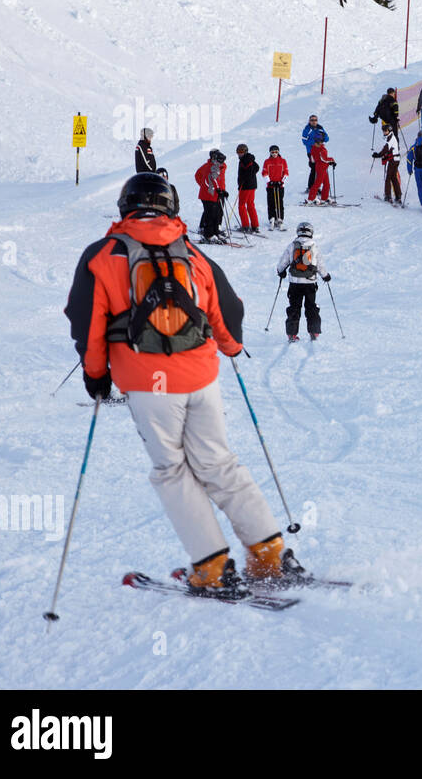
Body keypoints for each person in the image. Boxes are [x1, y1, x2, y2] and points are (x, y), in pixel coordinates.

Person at [66, 173, 300, 591]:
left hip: (148, 383)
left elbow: (87, 323)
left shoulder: (102, 255)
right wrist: (230, 347)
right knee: (218, 463)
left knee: (172, 470)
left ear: (125, 207)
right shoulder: (191, 253)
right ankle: (270, 554)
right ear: (170, 207)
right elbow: (227, 309)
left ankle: (211, 567)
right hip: (201, 377)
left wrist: (96, 375)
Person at [276, 221, 330, 341]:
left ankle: (292, 334)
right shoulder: (314, 246)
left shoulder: (292, 245)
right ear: (311, 232)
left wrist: (281, 271)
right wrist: (325, 276)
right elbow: (320, 265)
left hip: (295, 283)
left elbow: (283, 262)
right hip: (310, 283)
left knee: (294, 307)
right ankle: (314, 331)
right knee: (311, 307)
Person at [194, 148, 228, 243]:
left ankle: (215, 233)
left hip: (215, 194)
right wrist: (205, 186)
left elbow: (219, 181)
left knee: (216, 214)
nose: (221, 162)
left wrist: (222, 191)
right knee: (210, 214)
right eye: (219, 160)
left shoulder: (218, 166)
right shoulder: (210, 166)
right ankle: (208, 235)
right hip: (208, 195)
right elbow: (213, 180)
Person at [371, 125, 403, 204]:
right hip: (396, 159)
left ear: (389, 131)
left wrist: (378, 155)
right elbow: (388, 149)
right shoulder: (391, 136)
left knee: (388, 177)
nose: (384, 132)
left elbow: (386, 149)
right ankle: (398, 196)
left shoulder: (391, 138)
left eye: (385, 131)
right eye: (383, 131)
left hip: (393, 160)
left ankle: (388, 196)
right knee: (393, 177)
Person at [261, 144, 288, 229]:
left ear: (278, 152)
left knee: (280, 202)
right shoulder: (267, 161)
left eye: (276, 152)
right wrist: (269, 181)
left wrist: (282, 182)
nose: (274, 154)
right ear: (270, 153)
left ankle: (280, 218)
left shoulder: (283, 161)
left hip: (280, 185)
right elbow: (264, 173)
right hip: (271, 186)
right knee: (271, 202)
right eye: (272, 152)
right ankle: (272, 218)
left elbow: (286, 173)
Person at [235, 143, 260, 234]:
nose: (239, 154)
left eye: (241, 152)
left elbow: (250, 171)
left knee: (241, 205)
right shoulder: (250, 159)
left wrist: (243, 180)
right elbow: (256, 168)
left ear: (245, 151)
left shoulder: (244, 160)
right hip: (252, 186)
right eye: (238, 152)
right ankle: (255, 225)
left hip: (246, 187)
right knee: (250, 205)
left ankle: (245, 226)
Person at [306, 134, 335, 204]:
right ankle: (311, 198)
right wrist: (332, 160)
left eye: (320, 141)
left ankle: (324, 198)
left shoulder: (313, 148)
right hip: (321, 168)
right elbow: (324, 159)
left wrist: (328, 162)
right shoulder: (321, 149)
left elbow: (313, 160)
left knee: (327, 184)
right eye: (317, 142)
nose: (319, 143)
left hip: (322, 167)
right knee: (317, 183)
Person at [301, 115, 325, 193]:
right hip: (311, 152)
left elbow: (327, 138)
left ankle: (317, 187)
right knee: (314, 168)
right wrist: (314, 143)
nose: (314, 121)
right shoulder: (307, 129)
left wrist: (322, 138)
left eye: (315, 120)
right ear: (309, 121)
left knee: (319, 169)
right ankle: (311, 187)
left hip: (320, 151)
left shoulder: (320, 128)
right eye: (312, 120)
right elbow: (304, 141)